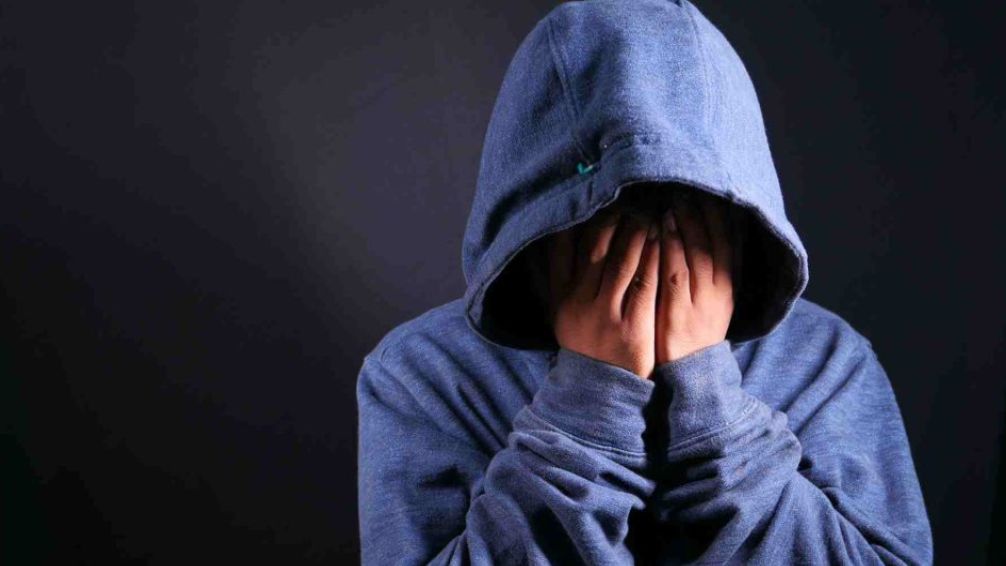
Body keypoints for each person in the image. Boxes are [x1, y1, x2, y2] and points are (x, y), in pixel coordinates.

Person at [356, 0, 933, 563]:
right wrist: (586, 405)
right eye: (611, 210)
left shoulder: (825, 363)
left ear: (739, 213)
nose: (650, 248)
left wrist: (712, 405)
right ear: (538, 216)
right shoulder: (425, 375)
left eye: (688, 208)